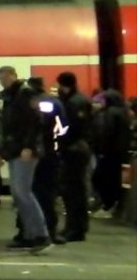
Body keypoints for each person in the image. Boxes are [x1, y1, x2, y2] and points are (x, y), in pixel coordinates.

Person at [0, 76, 50, 251]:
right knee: (19, 193)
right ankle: (29, 234)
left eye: (3, 78)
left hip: (24, 151)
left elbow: (34, 122)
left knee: (22, 192)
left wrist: (28, 146)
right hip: (17, 150)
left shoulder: (23, 94)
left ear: (12, 76)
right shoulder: (14, 96)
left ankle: (41, 234)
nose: (2, 81)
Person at [28, 77, 67, 243]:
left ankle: (31, 231)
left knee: (31, 193)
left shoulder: (27, 103)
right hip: (50, 153)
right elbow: (63, 127)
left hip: (34, 154)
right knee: (48, 193)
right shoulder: (54, 102)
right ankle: (50, 230)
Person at [55, 72, 93, 241]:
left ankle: (75, 228)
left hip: (74, 151)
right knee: (74, 190)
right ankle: (75, 227)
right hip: (76, 149)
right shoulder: (76, 100)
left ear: (64, 85)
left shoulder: (75, 102)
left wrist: (62, 143)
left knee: (74, 191)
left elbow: (73, 128)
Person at [92, 90, 131, 218]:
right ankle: (114, 205)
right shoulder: (124, 112)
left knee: (103, 179)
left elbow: (106, 132)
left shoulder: (109, 113)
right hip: (121, 152)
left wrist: (101, 149)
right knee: (116, 180)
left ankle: (107, 205)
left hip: (109, 152)